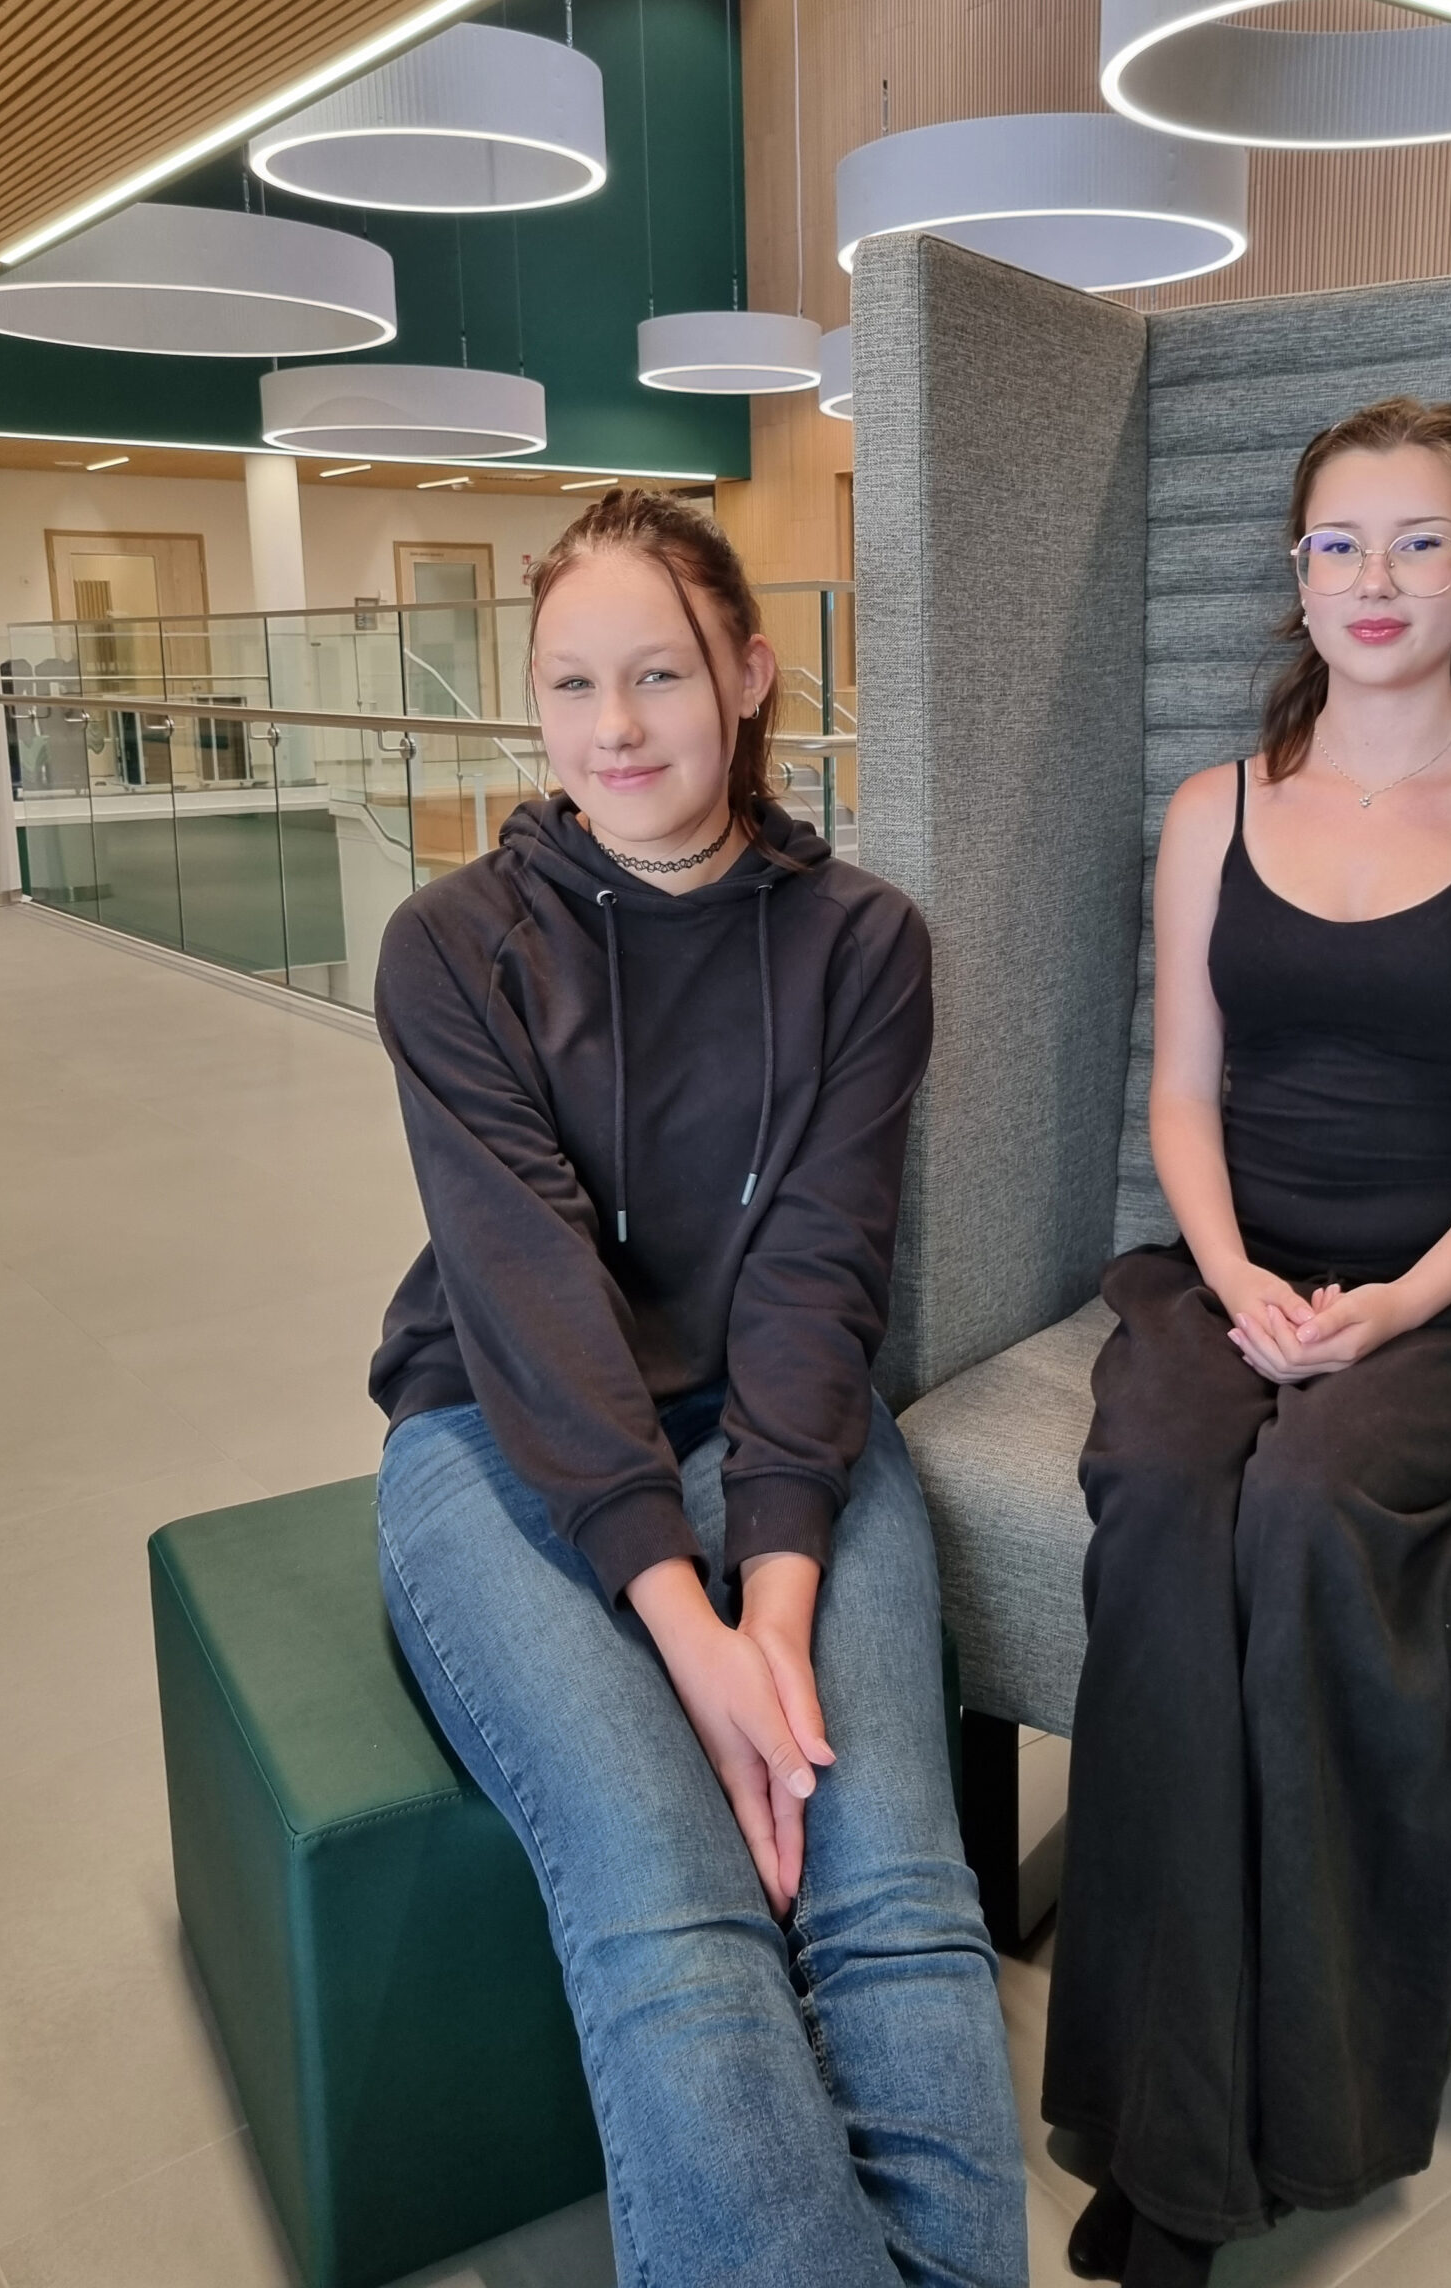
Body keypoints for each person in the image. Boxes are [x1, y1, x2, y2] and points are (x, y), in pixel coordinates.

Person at [369, 490, 1027, 2288]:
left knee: (896, 1889)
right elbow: (531, 1299)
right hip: (502, 1435)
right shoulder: (452, 944)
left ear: (747, 672)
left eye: (658, 673)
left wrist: (779, 1620)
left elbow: (819, 1277)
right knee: (673, 1904)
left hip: (777, 1430)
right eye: (570, 683)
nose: (615, 728)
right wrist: (692, 1635)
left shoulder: (864, 942)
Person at [1043, 400, 1451, 2286]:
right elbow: (1183, 1092)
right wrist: (1234, 1282)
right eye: (1338, 544)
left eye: (1418, 542)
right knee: (1158, 1495)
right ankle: (1172, 2124)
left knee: (1301, 1516)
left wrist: (1396, 1305)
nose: (1375, 580)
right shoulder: (1212, 807)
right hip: (1233, 1269)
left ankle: (1260, 2135)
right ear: (1296, 576)